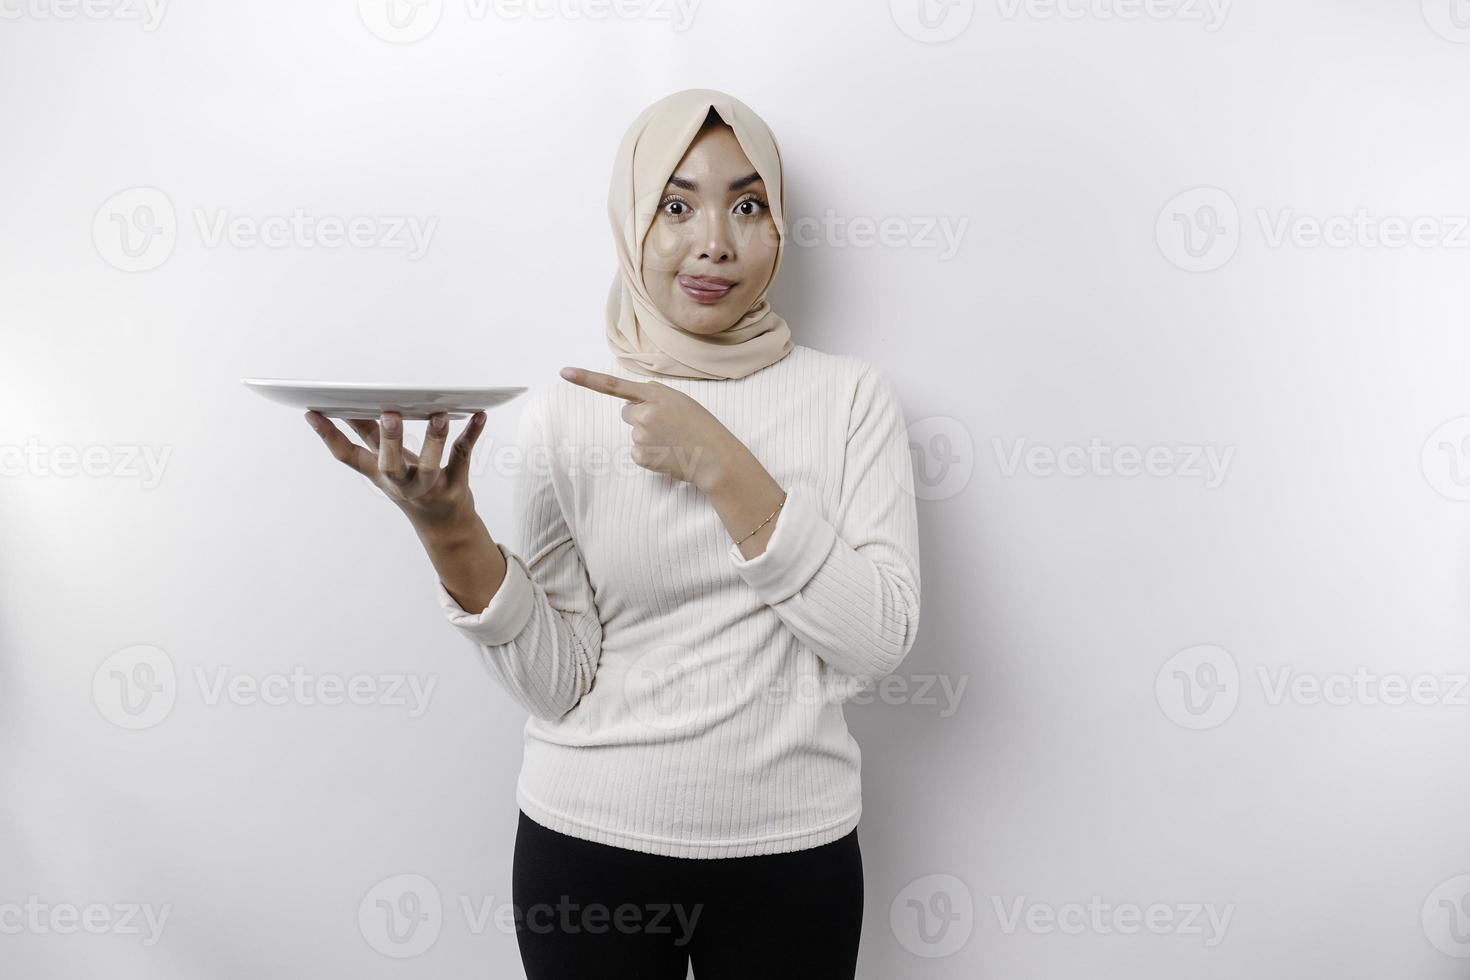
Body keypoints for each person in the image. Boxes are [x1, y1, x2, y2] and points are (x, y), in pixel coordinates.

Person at [304, 88, 922, 979]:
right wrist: (448, 530)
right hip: (590, 852)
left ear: (780, 226)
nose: (714, 240)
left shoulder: (852, 398)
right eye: (676, 205)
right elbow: (559, 683)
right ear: (631, 219)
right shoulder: (568, 413)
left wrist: (721, 462)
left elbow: (878, 641)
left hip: (795, 857)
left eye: (748, 205)